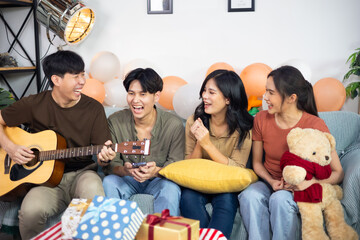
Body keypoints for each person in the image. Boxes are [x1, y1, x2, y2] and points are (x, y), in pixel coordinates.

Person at [0, 50, 116, 239]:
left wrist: (105, 159)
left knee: (96, 201)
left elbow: (104, 153)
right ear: (56, 80)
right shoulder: (33, 104)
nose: (82, 81)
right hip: (45, 181)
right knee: (29, 213)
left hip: (83, 174)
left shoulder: (93, 109)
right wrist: (11, 148)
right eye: (76, 76)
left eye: (83, 74)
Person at [237, 65, 344, 240]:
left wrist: (311, 184)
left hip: (298, 185)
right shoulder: (261, 119)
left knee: (279, 200)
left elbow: (338, 172)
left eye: (271, 93)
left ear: (291, 98)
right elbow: (257, 163)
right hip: (269, 181)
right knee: (249, 196)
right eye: (266, 91)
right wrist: (271, 181)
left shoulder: (315, 125)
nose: (265, 97)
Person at [179, 69, 253, 239]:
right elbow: (187, 164)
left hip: (227, 183)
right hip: (197, 182)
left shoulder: (245, 127)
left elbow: (238, 168)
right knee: (188, 199)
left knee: (227, 201)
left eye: (211, 92)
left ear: (228, 98)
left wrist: (207, 143)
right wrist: (199, 142)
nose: (204, 96)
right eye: (204, 91)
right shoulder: (194, 120)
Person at [102, 68, 185, 216]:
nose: (135, 100)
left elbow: (176, 167)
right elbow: (112, 166)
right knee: (109, 182)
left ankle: (164, 234)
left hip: (159, 181)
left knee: (170, 188)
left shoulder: (173, 125)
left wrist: (156, 172)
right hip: (128, 180)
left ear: (156, 96)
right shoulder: (115, 121)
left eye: (143, 94)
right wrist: (125, 170)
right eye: (131, 93)